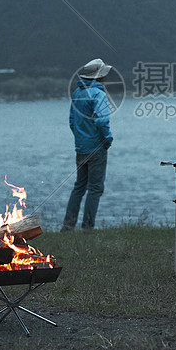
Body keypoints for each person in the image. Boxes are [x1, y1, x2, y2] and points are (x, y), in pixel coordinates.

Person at [63, 58, 114, 231]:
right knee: (95, 189)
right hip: (97, 148)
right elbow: (102, 121)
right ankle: (87, 227)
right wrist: (107, 139)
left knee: (79, 187)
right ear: (100, 78)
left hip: (81, 148)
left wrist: (80, 138)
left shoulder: (77, 93)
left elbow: (71, 121)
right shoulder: (99, 94)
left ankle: (68, 226)